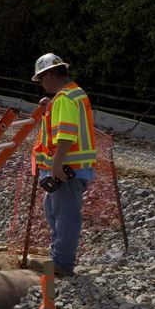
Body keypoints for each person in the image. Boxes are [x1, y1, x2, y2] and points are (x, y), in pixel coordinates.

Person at [29, 53, 97, 277]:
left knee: (65, 214)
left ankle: (61, 263)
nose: (41, 84)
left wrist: (57, 165)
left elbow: (66, 135)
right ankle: (58, 258)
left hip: (67, 169)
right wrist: (51, 106)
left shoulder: (66, 98)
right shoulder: (69, 96)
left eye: (41, 79)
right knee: (53, 210)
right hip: (71, 168)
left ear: (49, 74)